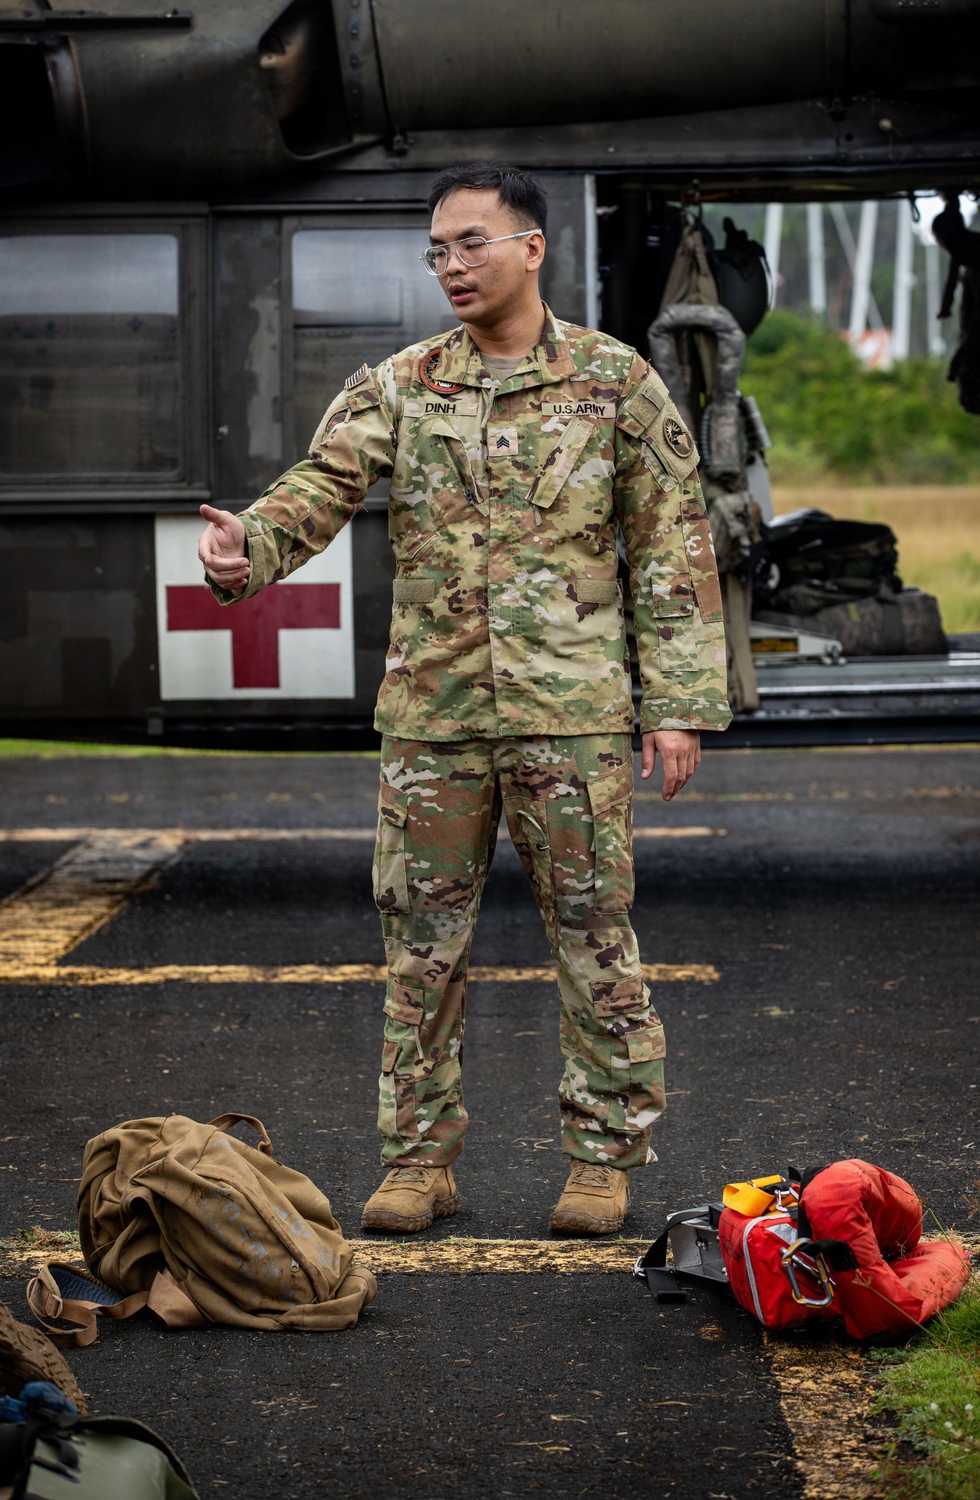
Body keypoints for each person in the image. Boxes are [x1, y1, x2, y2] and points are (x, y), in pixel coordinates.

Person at [198, 163, 730, 1237]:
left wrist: (676, 703)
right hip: (433, 721)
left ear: (532, 247)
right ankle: (418, 1162)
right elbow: (321, 487)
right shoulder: (400, 384)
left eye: (471, 242)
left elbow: (669, 543)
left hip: (569, 718)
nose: (451, 265)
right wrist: (243, 550)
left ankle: (599, 1161)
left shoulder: (613, 382)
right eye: (437, 249)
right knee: (420, 949)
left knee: (593, 939)